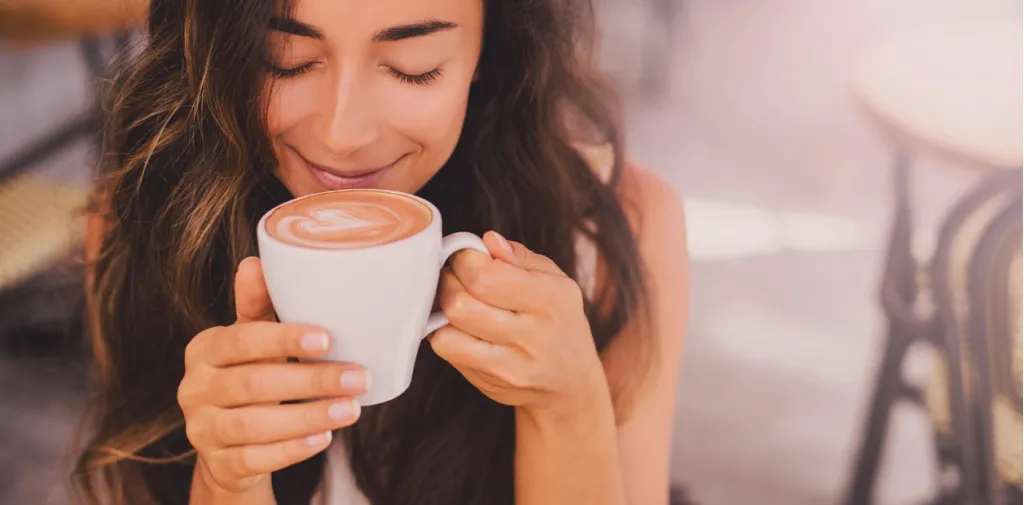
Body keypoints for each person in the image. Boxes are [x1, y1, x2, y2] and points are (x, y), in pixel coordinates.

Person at [74, 0, 689, 504]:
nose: (344, 134)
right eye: (285, 58)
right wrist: (227, 482)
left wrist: (567, 408)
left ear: (487, 51)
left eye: (412, 66)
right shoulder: (145, 226)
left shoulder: (616, 235)